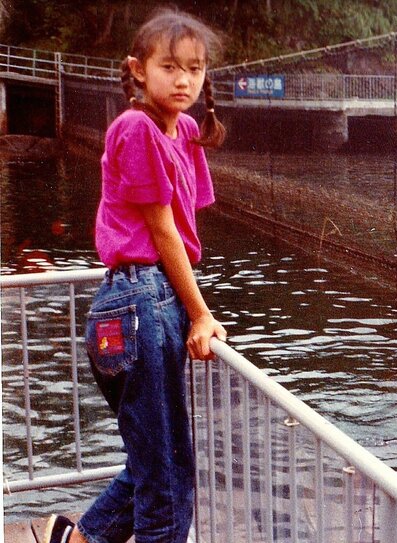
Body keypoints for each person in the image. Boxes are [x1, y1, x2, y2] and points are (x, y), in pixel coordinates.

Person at [45, 8, 227, 543]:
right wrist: (200, 312)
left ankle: (76, 539)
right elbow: (165, 231)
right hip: (138, 303)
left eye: (194, 69)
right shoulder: (134, 127)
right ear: (138, 70)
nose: (183, 79)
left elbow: (191, 219)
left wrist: (187, 306)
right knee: (168, 485)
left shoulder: (186, 129)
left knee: (156, 466)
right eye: (169, 66)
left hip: (147, 301)